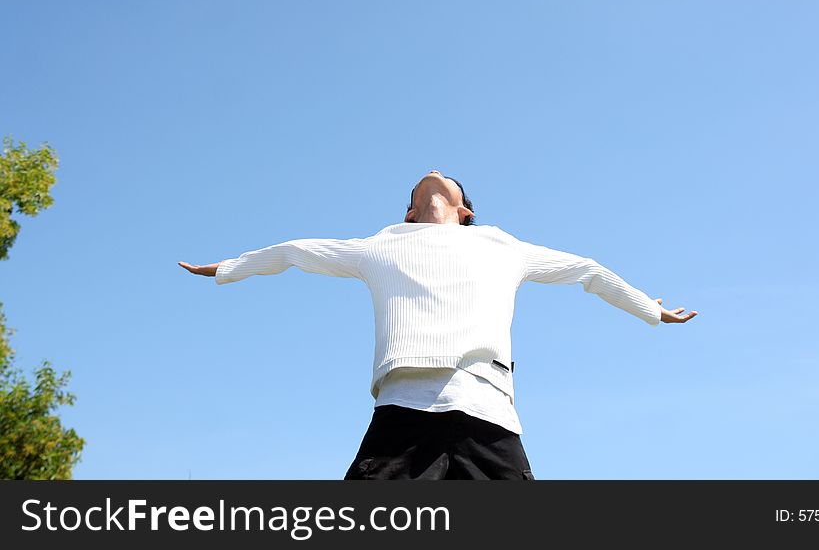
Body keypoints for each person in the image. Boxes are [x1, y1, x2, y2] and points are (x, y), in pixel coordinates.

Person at [179, 170, 698, 480]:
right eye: (417, 186)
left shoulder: (503, 246)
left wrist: (648, 309)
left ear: (465, 209)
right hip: (403, 416)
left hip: (488, 414)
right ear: (408, 213)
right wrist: (228, 268)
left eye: (445, 179)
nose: (432, 172)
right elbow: (295, 251)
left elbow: (586, 270)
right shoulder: (380, 246)